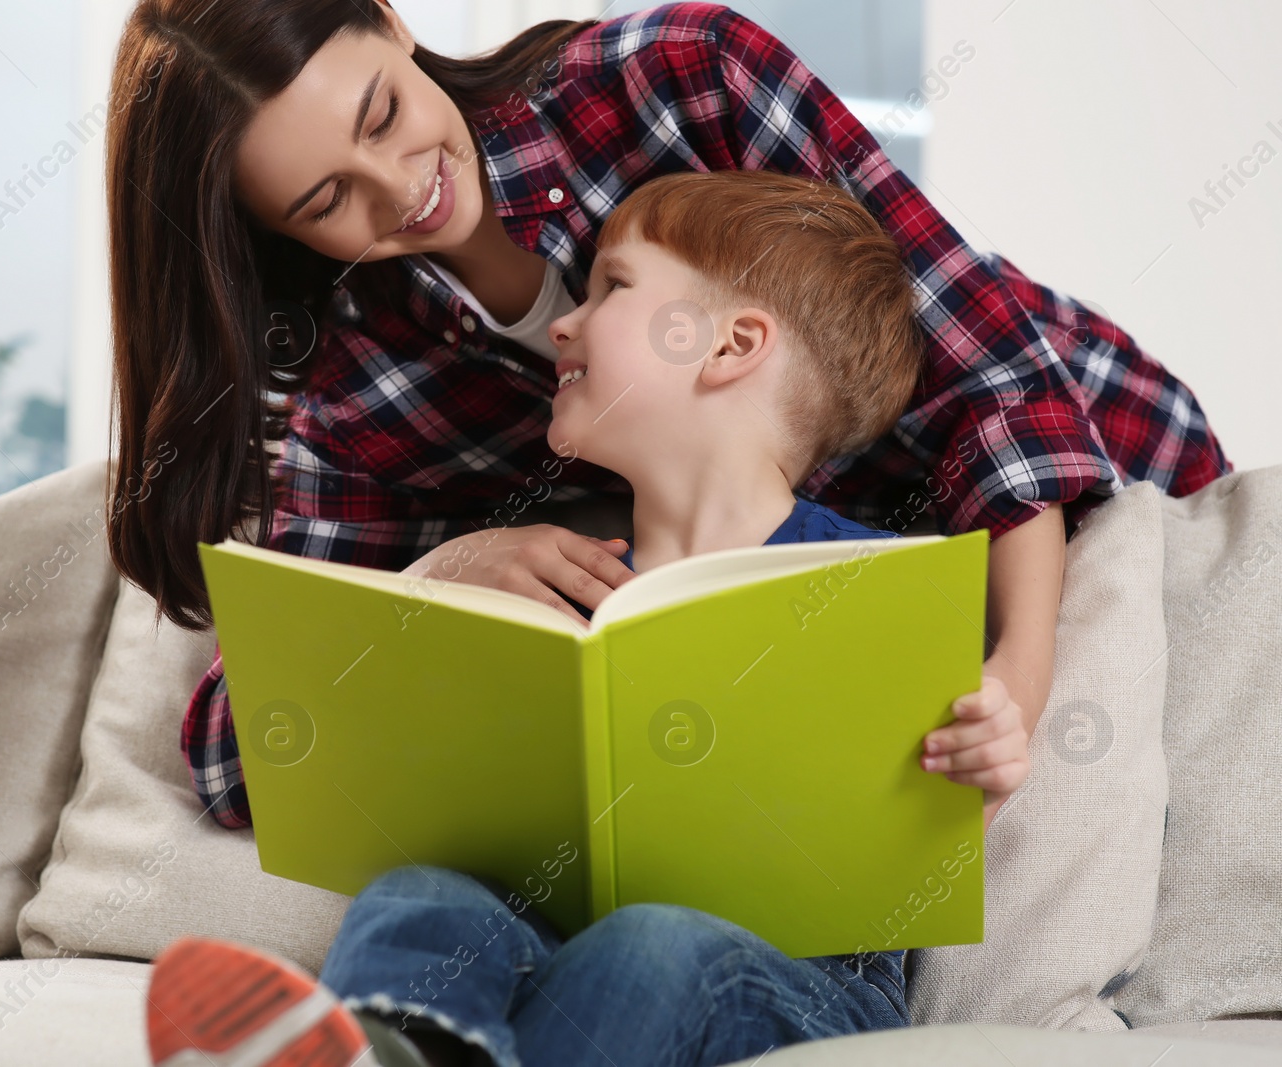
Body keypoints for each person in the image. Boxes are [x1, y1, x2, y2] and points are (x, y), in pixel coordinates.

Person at [96, 0, 1229, 840]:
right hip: (841, 624)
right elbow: (245, 748)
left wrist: (1021, 673)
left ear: (389, 26)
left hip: (1101, 473)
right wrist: (434, 579)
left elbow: (996, 386)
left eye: (383, 114)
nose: (398, 189)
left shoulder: (681, 78)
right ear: (279, 238)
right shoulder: (362, 387)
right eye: (324, 200)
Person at [141, 167, 1031, 1067]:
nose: (562, 320)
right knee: (422, 894)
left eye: (612, 286)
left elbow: (924, 830)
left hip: (802, 979)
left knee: (653, 942)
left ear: (728, 345)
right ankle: (378, 1048)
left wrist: (983, 762)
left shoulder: (869, 585)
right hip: (559, 945)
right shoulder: (555, 584)